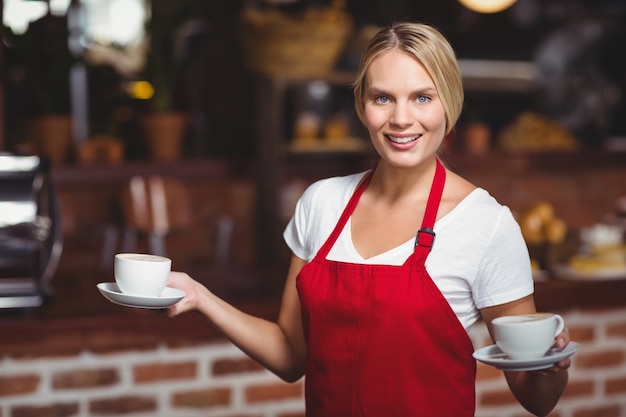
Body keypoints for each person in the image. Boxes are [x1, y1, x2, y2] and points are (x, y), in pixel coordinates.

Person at [166, 21, 570, 416]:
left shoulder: (486, 224)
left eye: (423, 98)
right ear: (362, 107)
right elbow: (291, 356)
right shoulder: (321, 203)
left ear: (451, 104)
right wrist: (201, 297)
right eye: (383, 98)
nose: (401, 119)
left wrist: (551, 368)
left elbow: (538, 400)